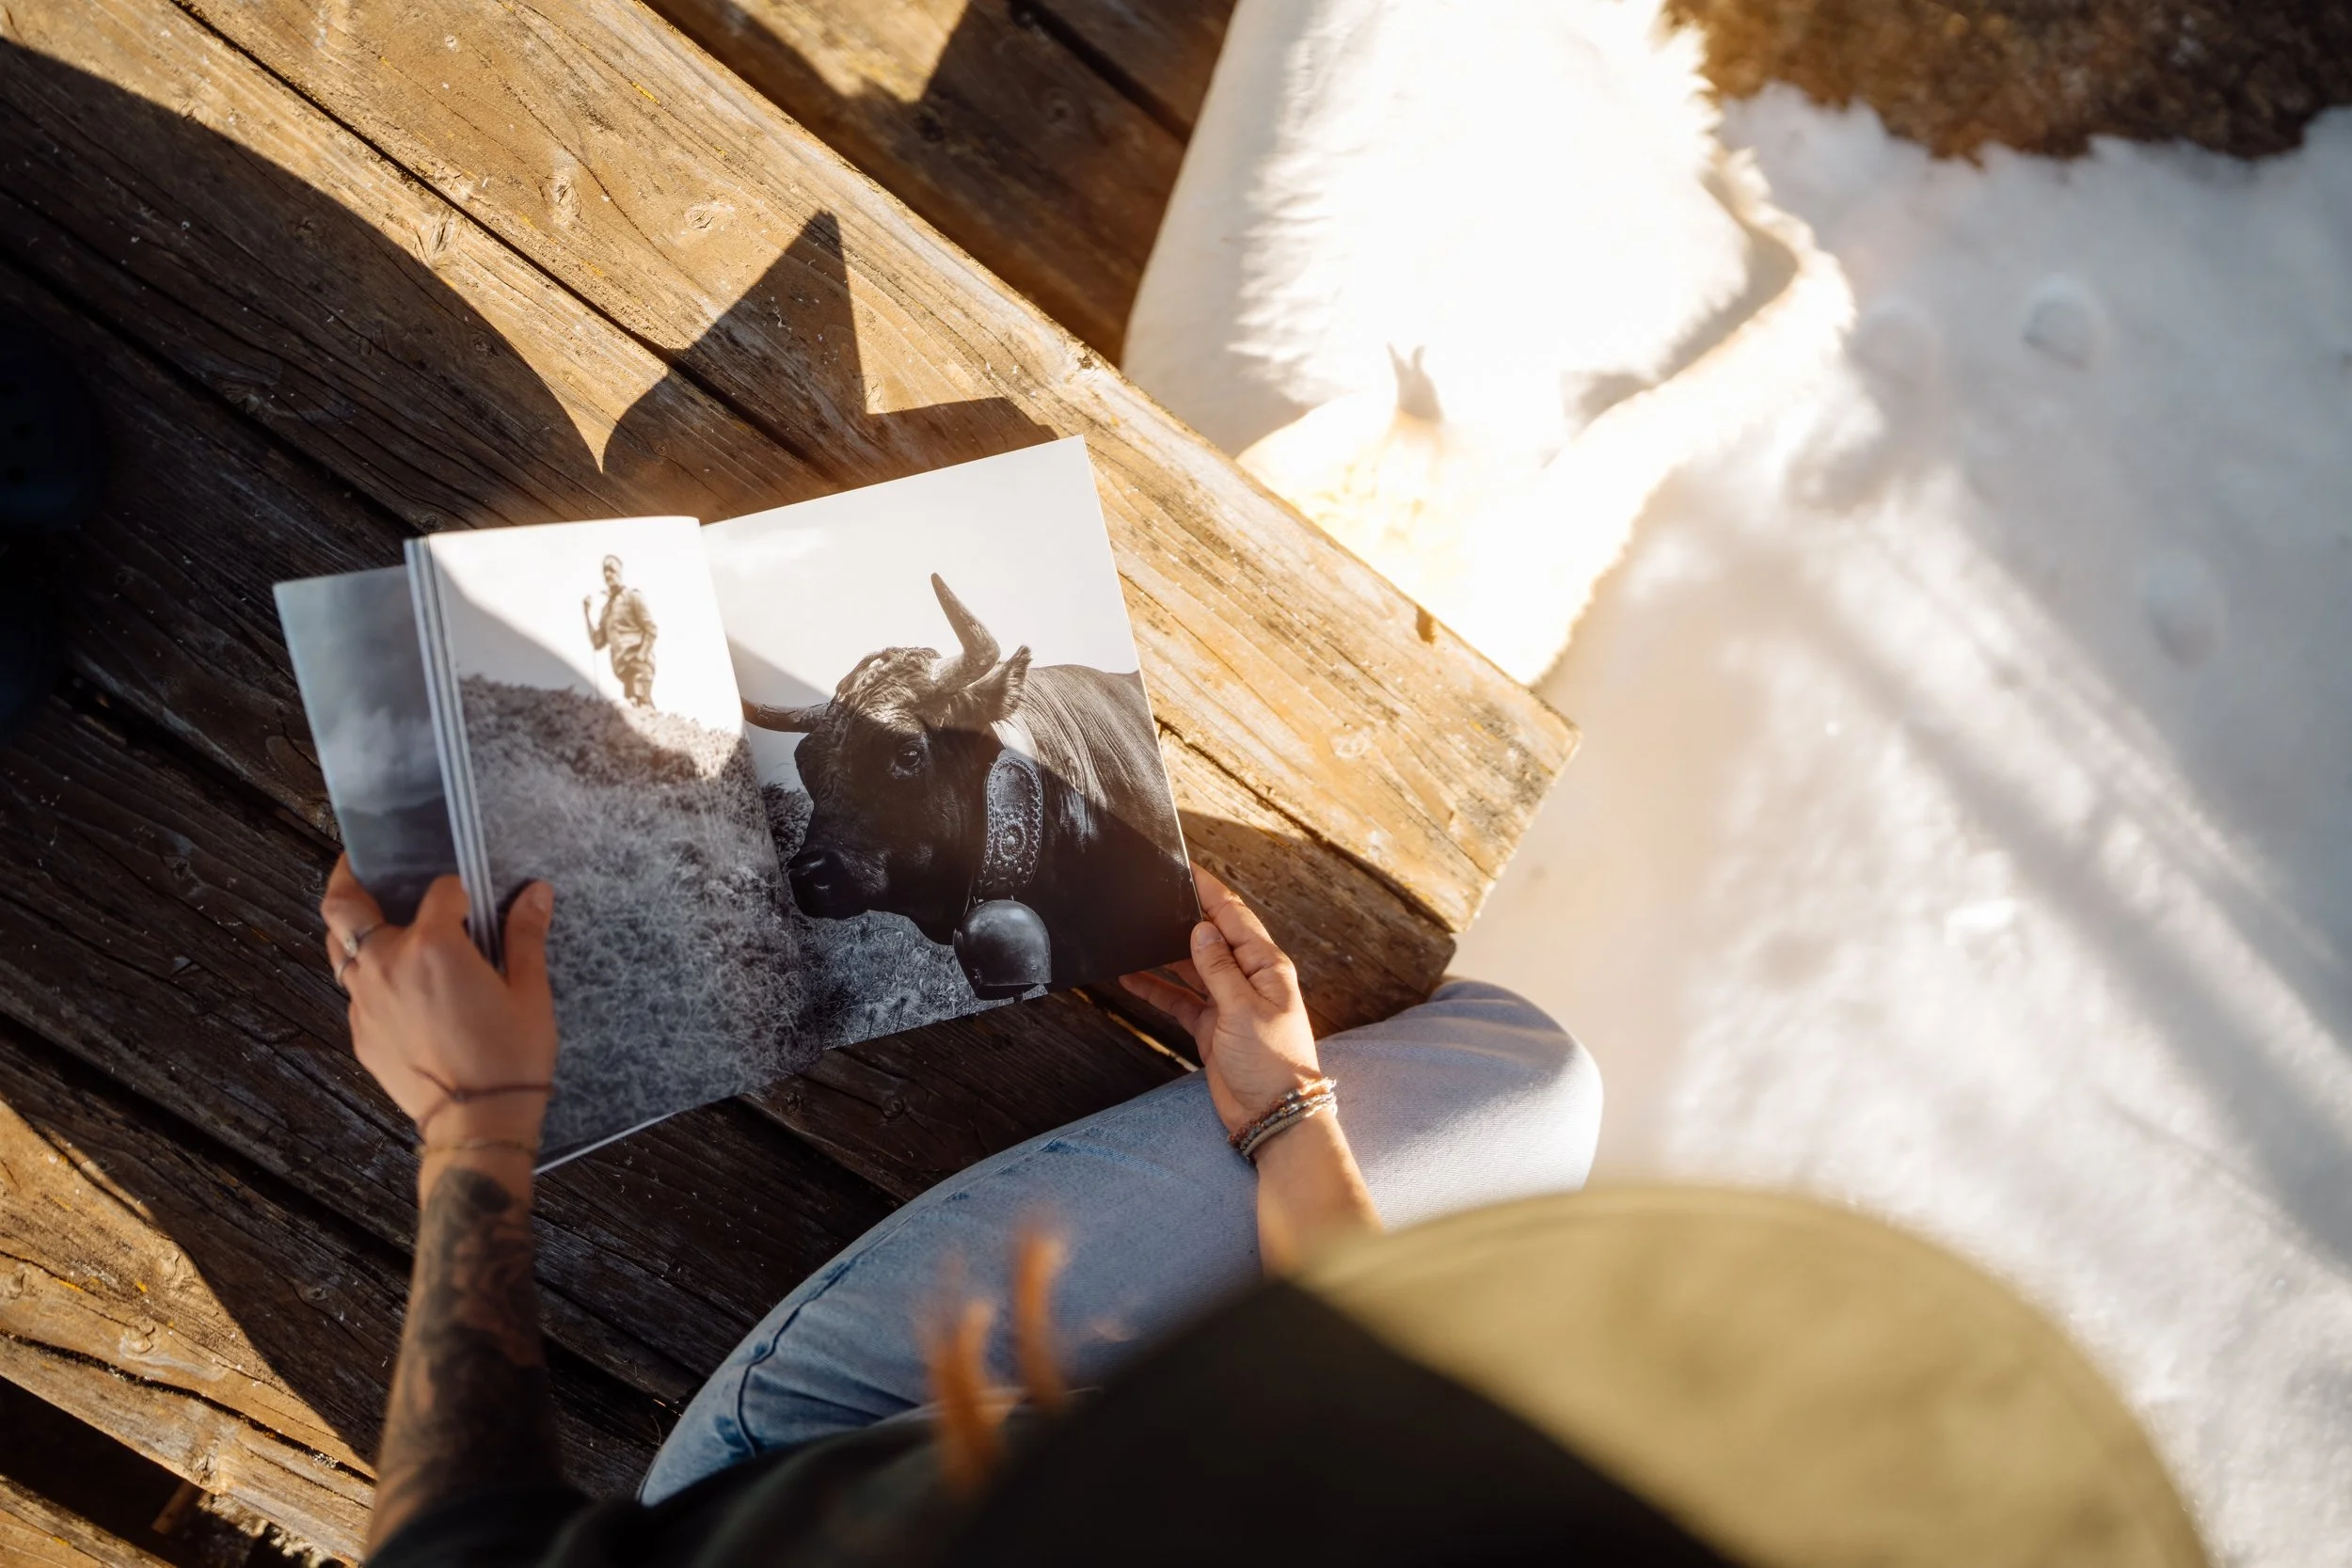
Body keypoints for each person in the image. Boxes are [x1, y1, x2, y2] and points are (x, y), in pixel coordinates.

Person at [320, 858, 1603, 1562]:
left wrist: (475, 1118)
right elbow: (1366, 1455)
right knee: (1536, 1090)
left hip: (836, 1475)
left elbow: (458, 1547)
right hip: (1169, 1454)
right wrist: (1283, 1110)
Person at [581, 553, 657, 707]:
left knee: (642, 705)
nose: (608, 574)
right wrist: (587, 613)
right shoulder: (607, 610)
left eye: (612, 569)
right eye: (605, 571)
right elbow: (597, 642)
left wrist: (641, 656)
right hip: (623, 669)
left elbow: (651, 629)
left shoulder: (633, 597)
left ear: (619, 571)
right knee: (632, 708)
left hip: (639, 666)